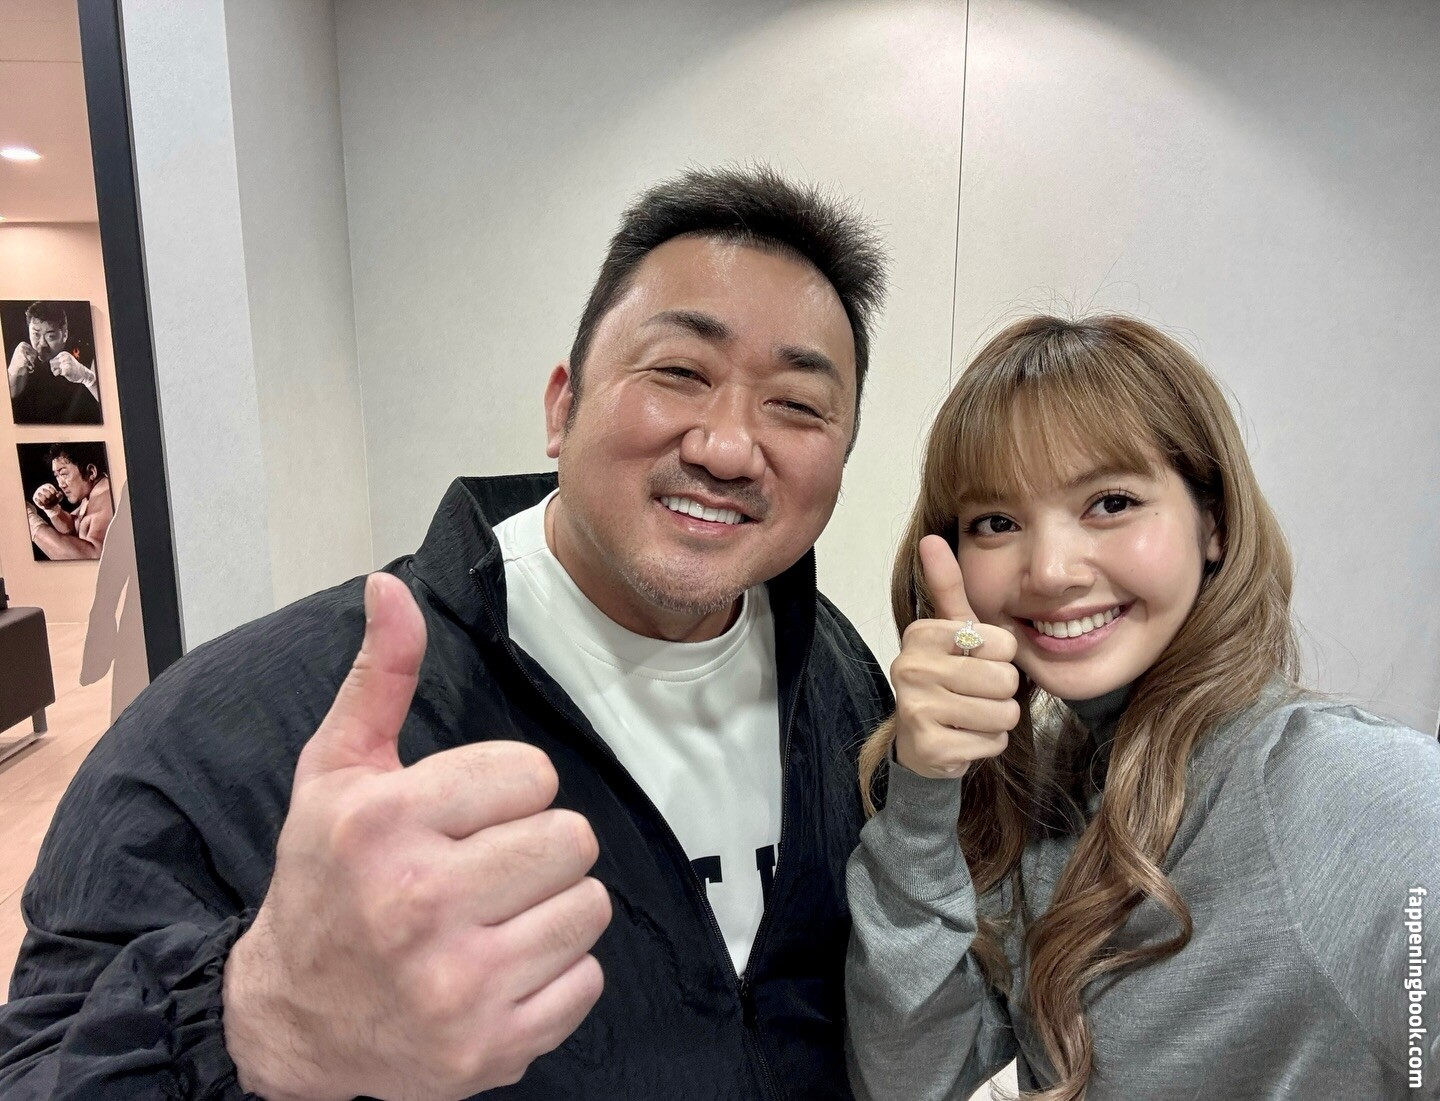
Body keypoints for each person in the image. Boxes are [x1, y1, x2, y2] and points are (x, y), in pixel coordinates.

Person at [0, 165, 893, 1100]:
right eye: (679, 372)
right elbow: (40, 1067)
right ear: (563, 406)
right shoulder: (234, 732)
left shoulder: (837, 675)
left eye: (798, 405)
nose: (729, 446)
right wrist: (258, 1021)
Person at [845, 314, 1440, 1100]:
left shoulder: (1354, 795)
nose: (1051, 570)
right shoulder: (1044, 793)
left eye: (1111, 502)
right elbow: (905, 1080)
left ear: (1213, 521)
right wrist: (924, 792)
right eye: (997, 522)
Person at [7, 302, 103, 425]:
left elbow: (111, 405)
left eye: (51, 336)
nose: (42, 344)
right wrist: (12, 371)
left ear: (65, 334)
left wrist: (87, 377)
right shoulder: (20, 353)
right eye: (36, 334)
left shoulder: (87, 351)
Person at [25, 442, 114, 561]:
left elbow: (93, 556)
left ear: (91, 472)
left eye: (64, 474)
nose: (60, 484)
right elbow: (72, 530)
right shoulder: (92, 496)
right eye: (57, 476)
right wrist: (53, 510)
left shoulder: (106, 501)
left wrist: (31, 522)